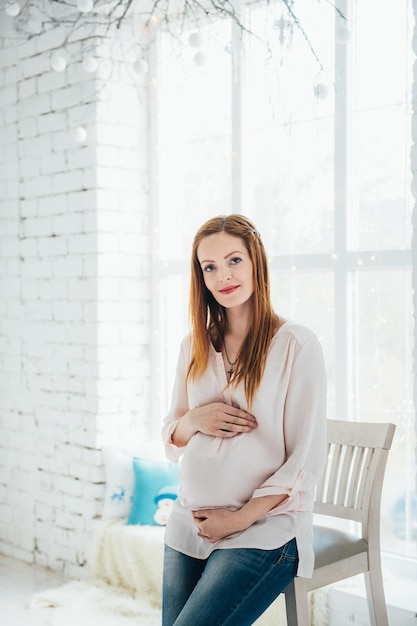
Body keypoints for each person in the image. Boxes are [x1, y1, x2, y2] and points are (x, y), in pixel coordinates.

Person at [161, 214, 327, 626]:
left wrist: (237, 519)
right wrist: (196, 418)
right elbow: (171, 436)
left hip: (264, 527)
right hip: (190, 521)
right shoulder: (194, 345)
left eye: (234, 260)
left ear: (256, 262)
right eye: (210, 267)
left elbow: (303, 464)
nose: (223, 276)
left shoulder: (296, 345)